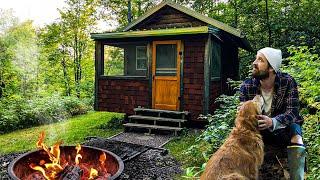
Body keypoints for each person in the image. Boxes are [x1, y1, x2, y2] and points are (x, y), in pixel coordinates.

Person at [239, 47, 306, 179]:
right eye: (256, 58)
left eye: (260, 60)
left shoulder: (287, 82)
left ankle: (299, 175)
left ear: (271, 68)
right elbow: (245, 117)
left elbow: (293, 112)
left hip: (283, 127)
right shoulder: (247, 86)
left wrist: (273, 121)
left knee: (297, 136)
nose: (254, 63)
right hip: (259, 129)